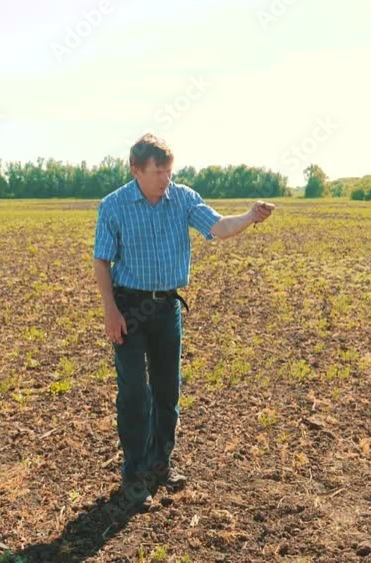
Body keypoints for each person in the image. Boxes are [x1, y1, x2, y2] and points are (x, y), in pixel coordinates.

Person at [92, 133, 275, 511]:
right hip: (128, 309)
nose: (166, 179)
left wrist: (249, 216)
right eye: (159, 171)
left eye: (170, 171)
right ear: (135, 170)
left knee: (167, 391)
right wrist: (110, 310)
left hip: (167, 309)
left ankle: (161, 465)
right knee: (134, 395)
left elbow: (219, 227)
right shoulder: (113, 206)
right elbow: (102, 261)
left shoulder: (184, 198)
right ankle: (135, 475)